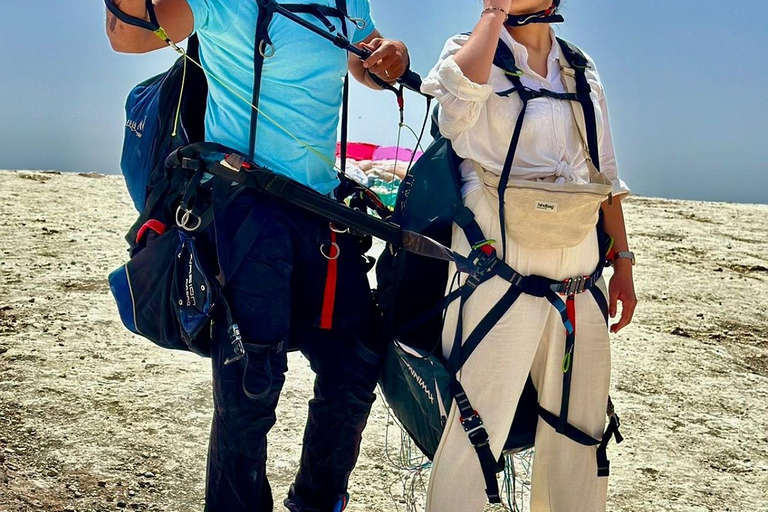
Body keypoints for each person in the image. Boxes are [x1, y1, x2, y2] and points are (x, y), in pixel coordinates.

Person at [105, 1, 410, 511]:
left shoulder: (343, 1)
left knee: (355, 363)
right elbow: (129, 37)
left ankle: (317, 502)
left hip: (321, 208)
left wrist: (390, 57)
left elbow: (366, 60)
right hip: (245, 208)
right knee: (250, 383)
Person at [420, 1, 636, 511]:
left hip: (580, 273)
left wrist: (623, 262)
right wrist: (493, 13)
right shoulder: (469, 50)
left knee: (580, 427)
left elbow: (604, 176)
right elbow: (453, 116)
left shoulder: (580, 67)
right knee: (478, 418)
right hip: (495, 267)